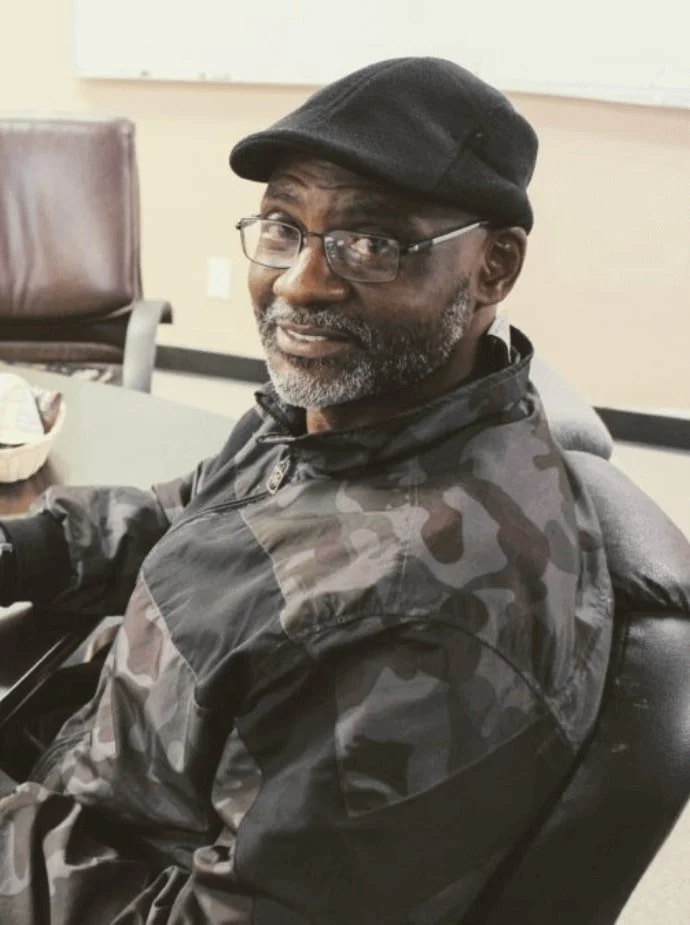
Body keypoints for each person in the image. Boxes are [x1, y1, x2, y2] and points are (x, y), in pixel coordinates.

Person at [0, 57, 615, 924]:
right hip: (90, 768)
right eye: (286, 227)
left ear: (493, 269)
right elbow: (205, 510)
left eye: (371, 243)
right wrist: (25, 549)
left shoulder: (422, 622)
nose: (300, 282)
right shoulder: (353, 411)